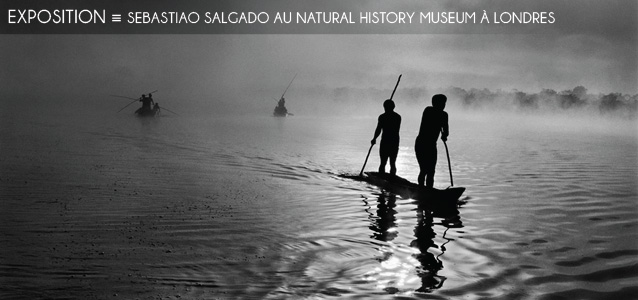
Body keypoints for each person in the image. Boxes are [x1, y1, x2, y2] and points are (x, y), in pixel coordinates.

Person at [415, 94, 449, 188]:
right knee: (424, 169)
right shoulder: (428, 110)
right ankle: (421, 188)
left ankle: (429, 189)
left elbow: (446, 130)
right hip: (421, 144)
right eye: (441, 103)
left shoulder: (444, 115)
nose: (443, 105)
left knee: (431, 171)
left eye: (444, 103)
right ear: (434, 103)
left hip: (432, 146)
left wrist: (444, 135)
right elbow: (434, 118)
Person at [371, 99, 401, 175]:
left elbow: (379, 129)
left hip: (387, 141)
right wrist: (374, 138)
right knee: (390, 162)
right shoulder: (397, 117)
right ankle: (389, 177)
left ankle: (388, 177)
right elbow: (378, 129)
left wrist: (374, 138)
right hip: (393, 141)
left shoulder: (383, 117)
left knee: (385, 162)